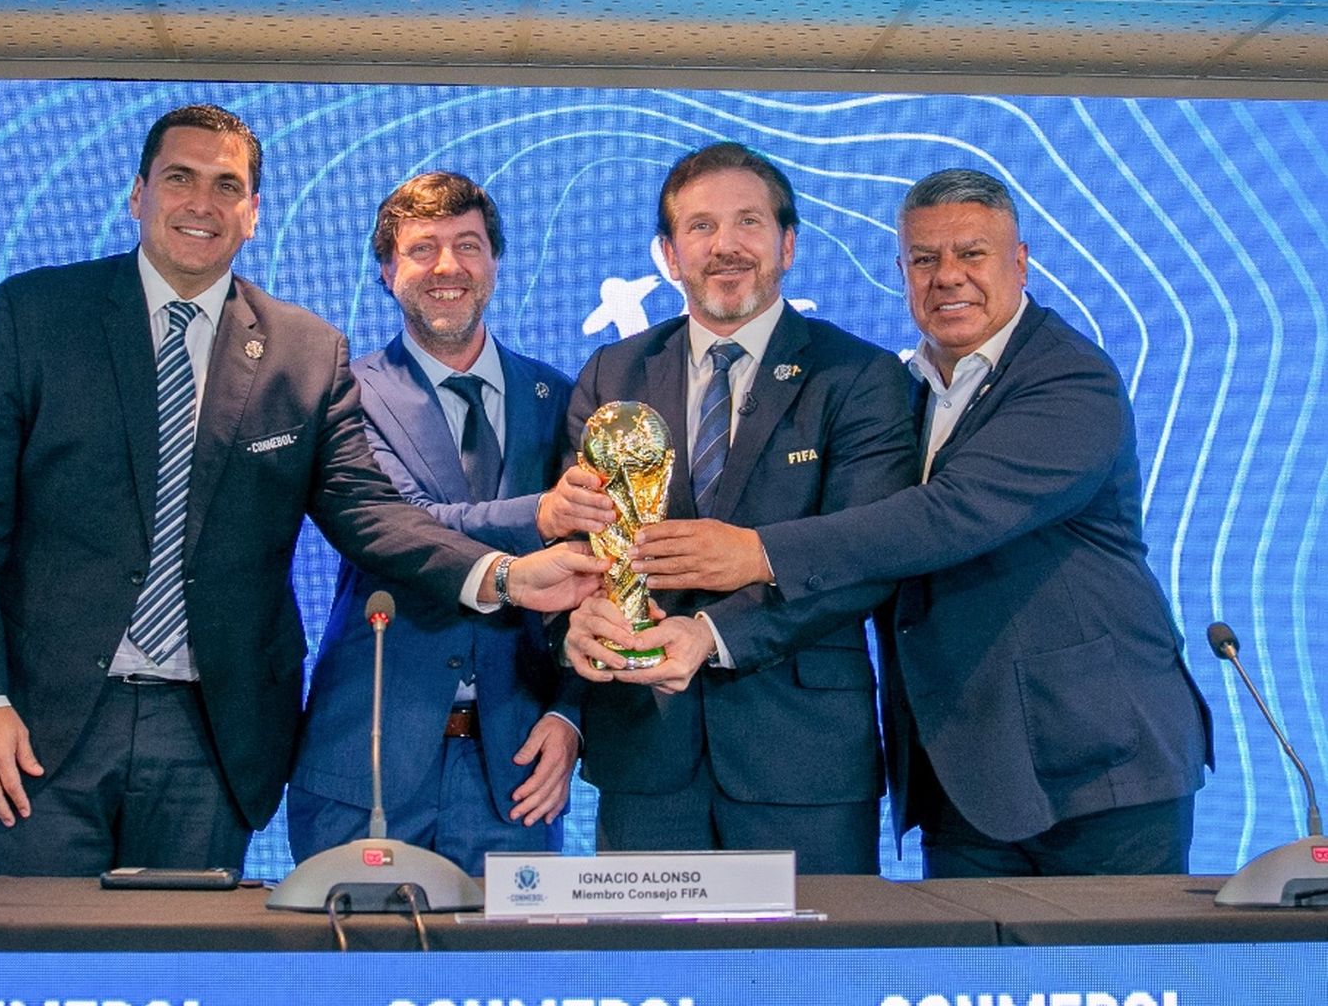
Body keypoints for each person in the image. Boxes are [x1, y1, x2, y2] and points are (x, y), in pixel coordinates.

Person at [0, 105, 606, 877]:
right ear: (138, 193)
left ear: (253, 213)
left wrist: (504, 575)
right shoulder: (36, 315)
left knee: (185, 983)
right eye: (180, 178)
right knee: (27, 981)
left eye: (227, 185)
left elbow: (367, 512)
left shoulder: (303, 351)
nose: (201, 203)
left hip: (213, 736)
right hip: (38, 726)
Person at [611, 167, 1213, 877]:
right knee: (971, 992)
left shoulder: (1068, 378)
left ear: (1020, 261)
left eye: (972, 254)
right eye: (925, 259)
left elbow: (947, 516)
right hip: (966, 772)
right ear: (902, 271)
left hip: (1096, 764)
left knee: (1118, 987)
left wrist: (757, 552)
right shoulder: (909, 385)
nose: (948, 277)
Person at [560, 142, 917, 874]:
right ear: (668, 255)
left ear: (788, 243)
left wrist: (710, 634)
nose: (725, 246)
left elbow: (865, 560)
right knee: (652, 978)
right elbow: (589, 549)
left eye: (748, 222)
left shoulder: (860, 377)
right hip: (644, 756)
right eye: (699, 228)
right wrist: (582, 615)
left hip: (803, 763)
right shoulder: (612, 373)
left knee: (807, 986)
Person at [287, 172, 612, 875]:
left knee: (506, 984)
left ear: (495, 261)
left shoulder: (560, 396)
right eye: (421, 248)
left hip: (517, 767)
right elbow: (402, 523)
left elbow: (599, 573)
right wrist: (542, 513)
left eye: (468, 245)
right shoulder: (344, 392)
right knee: (354, 980)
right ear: (386, 269)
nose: (447, 267)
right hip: (367, 761)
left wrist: (570, 716)